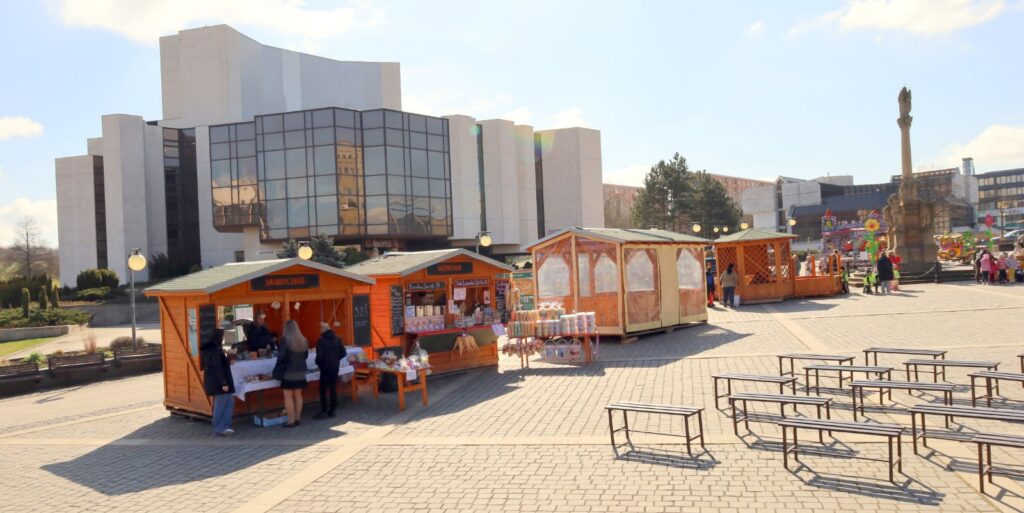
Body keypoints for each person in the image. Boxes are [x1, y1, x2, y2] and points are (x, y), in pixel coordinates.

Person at [200, 328, 235, 436]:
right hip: (219, 382)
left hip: (217, 381)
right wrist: (223, 383)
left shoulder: (213, 348)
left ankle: (225, 425)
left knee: (229, 402)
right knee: (221, 404)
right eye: (222, 336)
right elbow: (217, 367)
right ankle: (219, 427)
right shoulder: (215, 350)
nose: (223, 338)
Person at [277, 319, 309, 427]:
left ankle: (291, 420)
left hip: (289, 371)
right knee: (298, 396)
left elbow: (281, 356)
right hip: (301, 371)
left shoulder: (285, 340)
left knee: (288, 397)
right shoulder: (304, 340)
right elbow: (305, 356)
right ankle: (297, 419)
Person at [313, 322, 347, 419]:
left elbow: (320, 357)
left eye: (320, 329)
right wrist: (335, 359)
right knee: (333, 388)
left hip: (325, 368)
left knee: (323, 389)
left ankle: (324, 410)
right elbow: (343, 353)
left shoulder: (321, 341)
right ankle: (332, 410)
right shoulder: (337, 339)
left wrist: (318, 363)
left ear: (323, 330)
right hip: (335, 367)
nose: (319, 330)